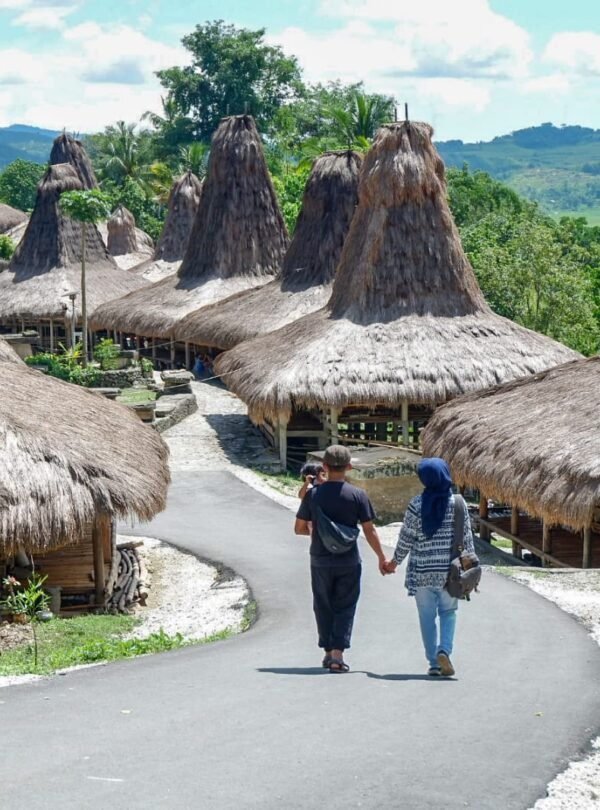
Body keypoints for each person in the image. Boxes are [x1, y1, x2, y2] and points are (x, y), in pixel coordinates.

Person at [295, 445, 387, 673]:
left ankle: (327, 652)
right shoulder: (358, 495)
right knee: (345, 605)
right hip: (349, 560)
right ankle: (337, 654)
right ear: (349, 467)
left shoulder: (313, 495)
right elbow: (369, 530)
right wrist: (382, 557)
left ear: (324, 466)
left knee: (323, 604)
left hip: (320, 559)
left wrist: (320, 534)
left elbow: (299, 528)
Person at [384, 458, 474, 677]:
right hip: (450, 573)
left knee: (426, 617)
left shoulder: (416, 504)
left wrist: (393, 563)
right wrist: (471, 573)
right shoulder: (458, 503)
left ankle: (434, 662)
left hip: (423, 572)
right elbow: (468, 541)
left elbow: (406, 538)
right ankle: (444, 650)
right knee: (448, 612)